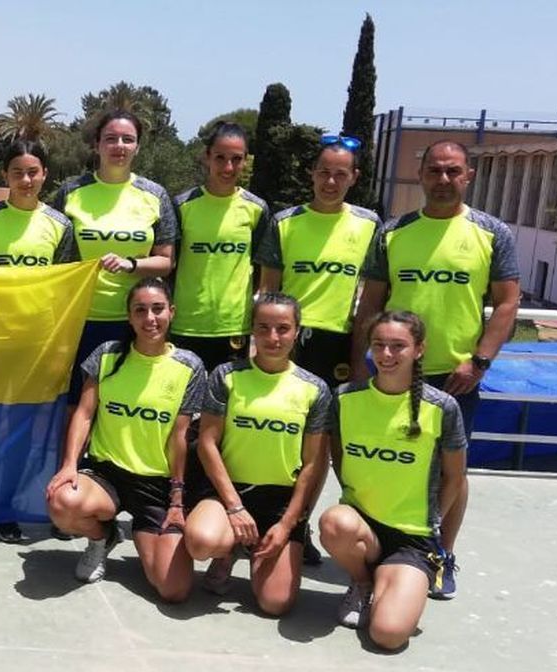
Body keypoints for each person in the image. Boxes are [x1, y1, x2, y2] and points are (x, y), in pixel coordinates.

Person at [353, 139, 519, 599]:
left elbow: (507, 302)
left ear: (468, 176)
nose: (443, 180)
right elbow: (371, 302)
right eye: (435, 172)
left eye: (453, 172)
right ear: (420, 175)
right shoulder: (392, 231)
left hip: (456, 378)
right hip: (392, 375)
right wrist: (359, 363)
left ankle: (441, 554)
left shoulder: (491, 233)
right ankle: (381, 548)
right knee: (387, 464)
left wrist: (480, 360)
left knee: (452, 474)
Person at [254, 136, 380, 565]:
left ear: (354, 178)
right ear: (311, 174)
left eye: (340, 174)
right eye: (323, 171)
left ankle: (313, 525)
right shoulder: (285, 222)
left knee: (326, 446)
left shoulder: (368, 224)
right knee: (282, 439)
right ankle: (279, 524)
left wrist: (364, 355)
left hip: (340, 345)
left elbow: (374, 296)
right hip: (288, 341)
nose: (330, 181)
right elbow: (267, 289)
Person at [46, 278, 205, 593]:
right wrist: (69, 465)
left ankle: (146, 535)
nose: (150, 318)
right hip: (108, 474)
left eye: (157, 309)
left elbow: (181, 437)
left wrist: (176, 497)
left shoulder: (190, 366)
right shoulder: (106, 355)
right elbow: (85, 413)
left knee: (173, 590)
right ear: (129, 317)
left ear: (171, 312)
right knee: (62, 502)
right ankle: (102, 537)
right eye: (140, 310)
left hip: (156, 485)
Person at [320, 311, 466, 650]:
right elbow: (338, 456)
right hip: (362, 528)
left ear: (418, 349)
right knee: (334, 522)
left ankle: (399, 577)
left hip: (412, 540)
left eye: (398, 346)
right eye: (379, 345)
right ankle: (361, 581)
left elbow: (455, 477)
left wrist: (434, 526)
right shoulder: (344, 398)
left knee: (388, 634)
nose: (386, 355)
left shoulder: (442, 407)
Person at [179, 292, 331, 614]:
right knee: (201, 541)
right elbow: (207, 443)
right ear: (252, 330)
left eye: (283, 328)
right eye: (263, 328)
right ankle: (227, 551)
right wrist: (234, 506)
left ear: (297, 330)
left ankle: (266, 546)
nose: (272, 337)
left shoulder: (315, 389)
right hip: (228, 493)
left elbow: (313, 465)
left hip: (279, 501)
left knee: (275, 603)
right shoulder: (226, 375)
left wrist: (289, 524)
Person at [0, 139, 78, 543]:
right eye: (17, 172)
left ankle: (5, 509)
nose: (25, 180)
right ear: (5, 176)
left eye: (33, 172)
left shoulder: (61, 227)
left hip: (36, 350)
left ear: (45, 174)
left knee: (19, 436)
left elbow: (67, 292)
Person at [51, 110, 177, 395]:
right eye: (110, 139)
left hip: (134, 321)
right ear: (97, 145)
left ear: (137, 147)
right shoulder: (71, 192)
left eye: (127, 139)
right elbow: (59, 259)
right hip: (81, 319)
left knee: (122, 400)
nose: (119, 145)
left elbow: (166, 261)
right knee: (76, 402)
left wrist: (129, 263)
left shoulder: (155, 195)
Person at [169, 122, 270, 371]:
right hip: (186, 324)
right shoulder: (182, 206)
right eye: (220, 158)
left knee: (223, 406)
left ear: (246, 160)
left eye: (236, 159)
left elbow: (260, 270)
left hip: (233, 327)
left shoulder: (256, 209)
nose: (228, 167)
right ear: (207, 157)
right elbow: (170, 264)